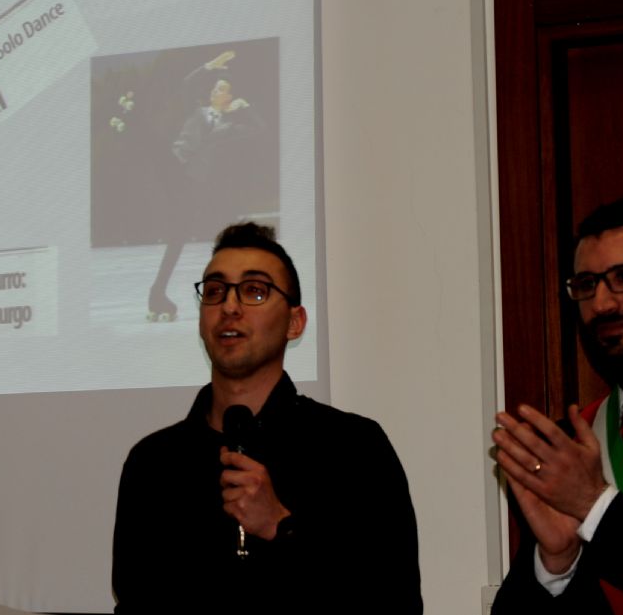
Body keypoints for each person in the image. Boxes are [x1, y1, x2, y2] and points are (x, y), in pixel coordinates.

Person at [113, 222, 422, 612]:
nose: (229, 307)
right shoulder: (154, 462)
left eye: (254, 291)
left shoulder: (354, 447)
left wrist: (281, 527)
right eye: (215, 291)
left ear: (295, 322)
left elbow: (397, 603)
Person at [491, 196, 623, 613]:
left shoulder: (576, 481)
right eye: (587, 284)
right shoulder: (568, 447)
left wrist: (592, 505)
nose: (602, 304)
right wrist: (556, 563)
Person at [147, 50, 269, 320]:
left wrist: (246, 108)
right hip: (176, 176)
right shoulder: (197, 111)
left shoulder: (232, 125)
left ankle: (164, 293)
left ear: (231, 97)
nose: (216, 91)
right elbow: (185, 86)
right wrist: (209, 67)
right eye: (215, 87)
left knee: (203, 239)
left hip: (202, 188)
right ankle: (158, 293)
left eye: (222, 88)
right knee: (178, 237)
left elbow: (260, 129)